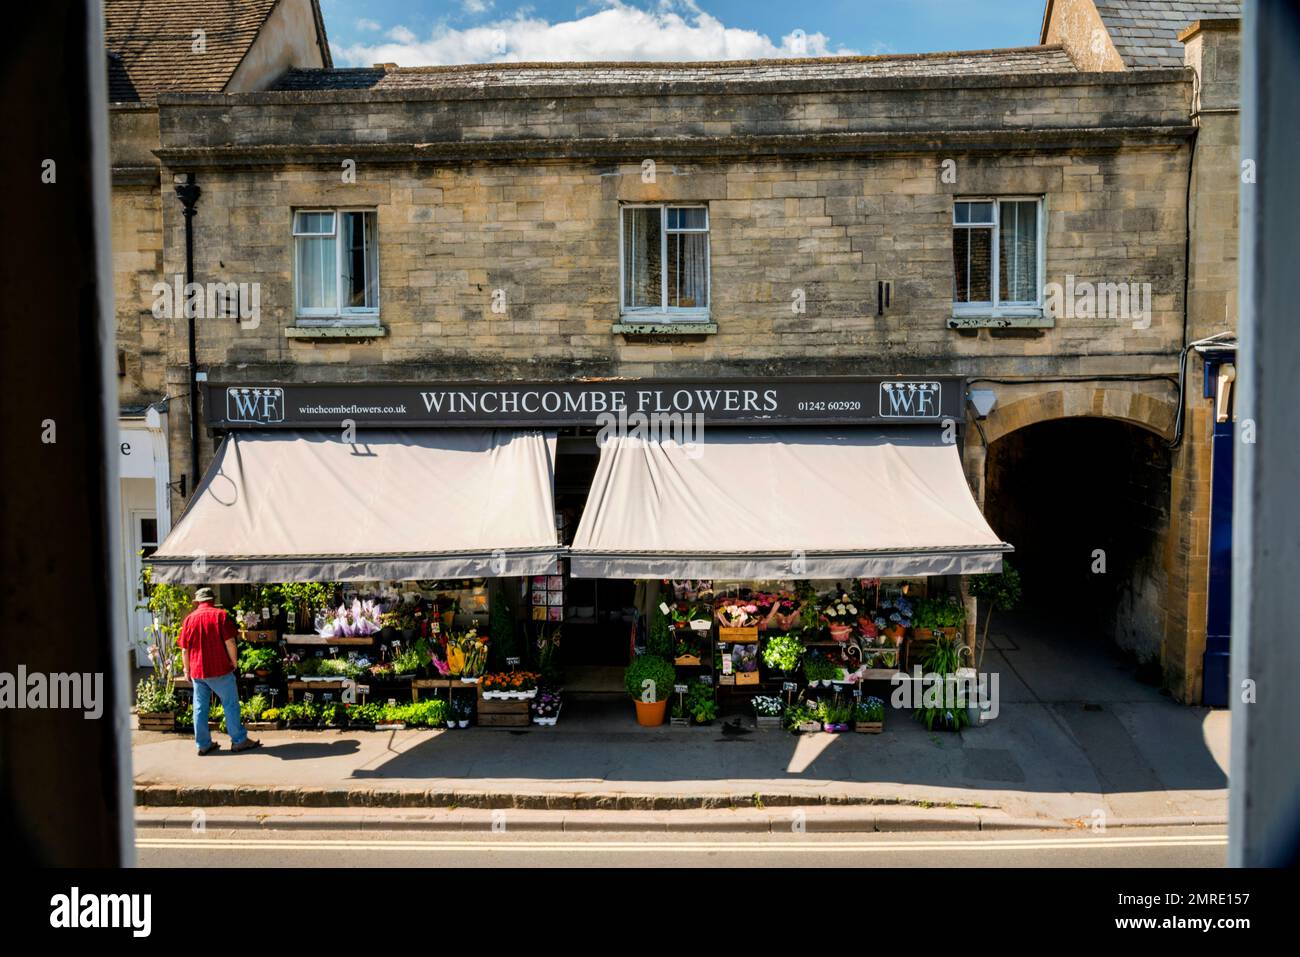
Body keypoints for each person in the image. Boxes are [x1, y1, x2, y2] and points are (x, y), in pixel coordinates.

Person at [178, 587, 260, 755]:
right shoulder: (220, 615)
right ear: (213, 600)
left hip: (198, 671)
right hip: (220, 669)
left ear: (198, 601)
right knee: (230, 704)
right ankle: (238, 741)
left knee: (200, 707)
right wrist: (234, 662)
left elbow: (184, 650)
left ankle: (203, 744)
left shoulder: (189, 619)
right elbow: (230, 642)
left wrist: (186, 669)